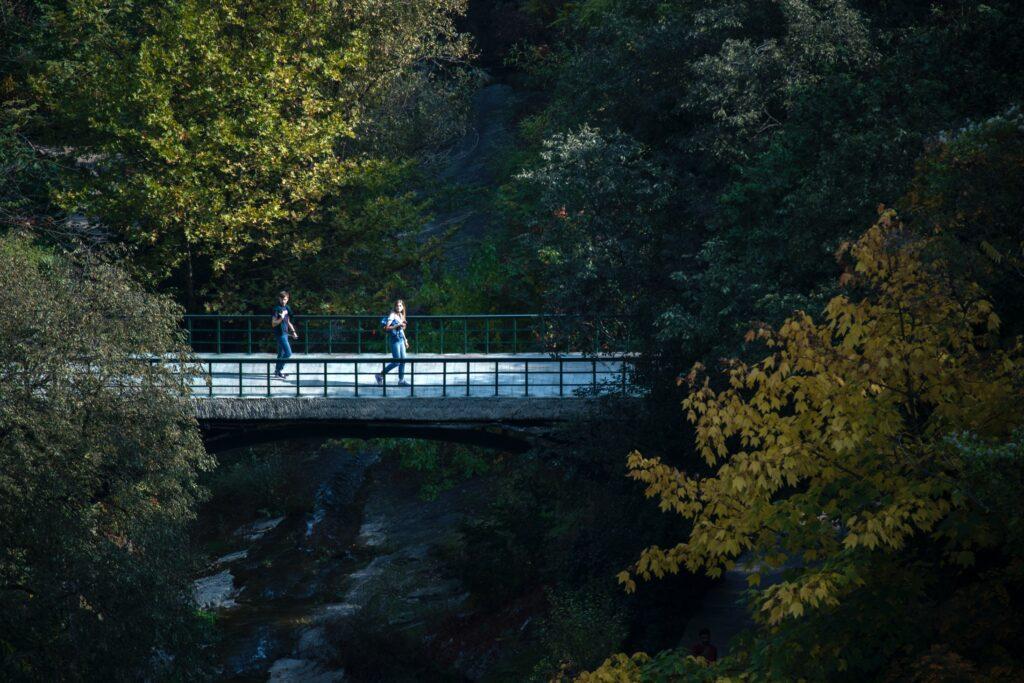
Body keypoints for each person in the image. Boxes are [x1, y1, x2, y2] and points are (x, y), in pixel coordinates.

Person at [375, 299, 410, 387]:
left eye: (400, 306)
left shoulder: (401, 315)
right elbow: (387, 328)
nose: (398, 307)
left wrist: (405, 340)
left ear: (403, 307)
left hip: (401, 339)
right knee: (396, 361)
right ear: (395, 306)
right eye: (397, 306)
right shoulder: (392, 315)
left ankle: (401, 380)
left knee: (403, 360)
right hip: (394, 340)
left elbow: (401, 330)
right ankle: (380, 375)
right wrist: (397, 325)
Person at [271, 290, 298, 379]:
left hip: (285, 333)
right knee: (288, 353)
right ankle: (278, 370)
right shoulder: (276, 309)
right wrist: (281, 317)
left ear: (288, 299)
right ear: (279, 299)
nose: (283, 301)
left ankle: (277, 371)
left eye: (285, 299)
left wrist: (293, 332)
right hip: (280, 334)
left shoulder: (287, 308)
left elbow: (288, 321)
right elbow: (273, 323)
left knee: (281, 354)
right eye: (282, 299)